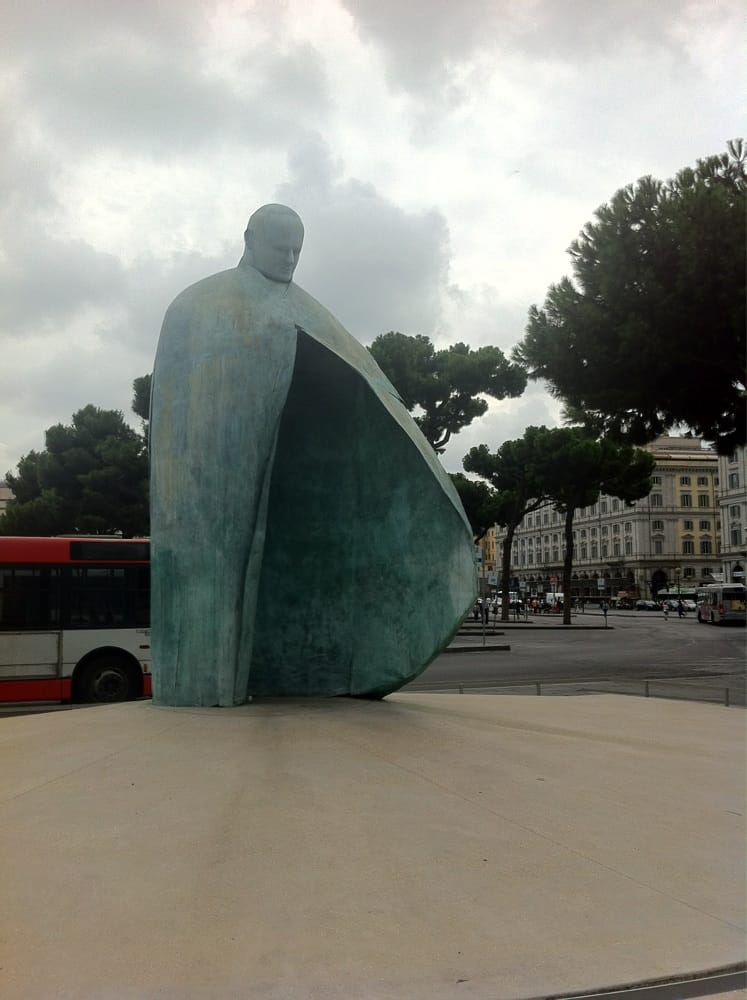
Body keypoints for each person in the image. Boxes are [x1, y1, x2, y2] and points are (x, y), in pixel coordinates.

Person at [150, 205, 476, 706]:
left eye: (297, 250)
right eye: (281, 248)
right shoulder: (198, 305)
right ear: (249, 239)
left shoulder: (308, 311)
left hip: (276, 494)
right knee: (216, 574)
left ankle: (269, 672)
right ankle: (204, 679)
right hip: (208, 495)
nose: (290, 259)